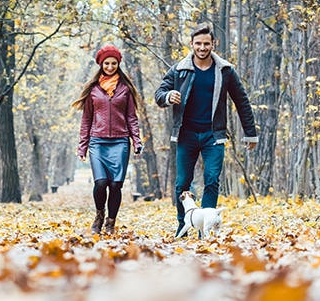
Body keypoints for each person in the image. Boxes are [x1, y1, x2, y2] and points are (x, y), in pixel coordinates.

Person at [155, 23, 258, 237]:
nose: (202, 47)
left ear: (213, 44)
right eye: (198, 44)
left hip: (214, 135)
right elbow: (159, 93)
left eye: (206, 44)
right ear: (191, 44)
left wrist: (250, 133)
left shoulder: (225, 70)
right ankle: (183, 225)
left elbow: (242, 101)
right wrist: (167, 97)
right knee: (182, 182)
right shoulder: (179, 69)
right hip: (186, 134)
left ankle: (205, 228)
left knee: (212, 179)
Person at [73, 45, 143, 235]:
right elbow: (86, 119)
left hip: (120, 142)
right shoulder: (94, 90)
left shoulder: (125, 89)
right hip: (97, 142)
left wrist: (136, 141)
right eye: (107, 63)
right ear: (101, 64)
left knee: (115, 185)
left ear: (118, 64)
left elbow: (131, 117)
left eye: (114, 63)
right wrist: (82, 146)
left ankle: (111, 223)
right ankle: (99, 215)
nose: (110, 67)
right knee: (101, 183)